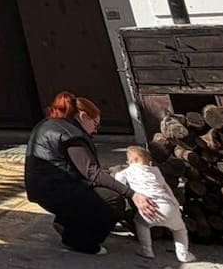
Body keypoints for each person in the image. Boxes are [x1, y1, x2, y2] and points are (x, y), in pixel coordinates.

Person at [25, 91, 160, 255]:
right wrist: (132, 194)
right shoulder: (71, 135)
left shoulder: (51, 124)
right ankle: (80, 241)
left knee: (97, 193)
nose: (96, 130)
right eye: (95, 125)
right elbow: (92, 173)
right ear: (83, 116)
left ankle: (65, 223)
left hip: (46, 187)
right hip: (55, 189)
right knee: (112, 200)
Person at [115, 145, 196, 263]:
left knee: (141, 224)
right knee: (180, 229)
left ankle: (146, 249)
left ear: (130, 161)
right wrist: (176, 205)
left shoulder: (128, 171)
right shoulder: (156, 172)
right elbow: (167, 189)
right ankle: (183, 254)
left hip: (148, 208)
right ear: (150, 162)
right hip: (169, 208)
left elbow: (118, 180)